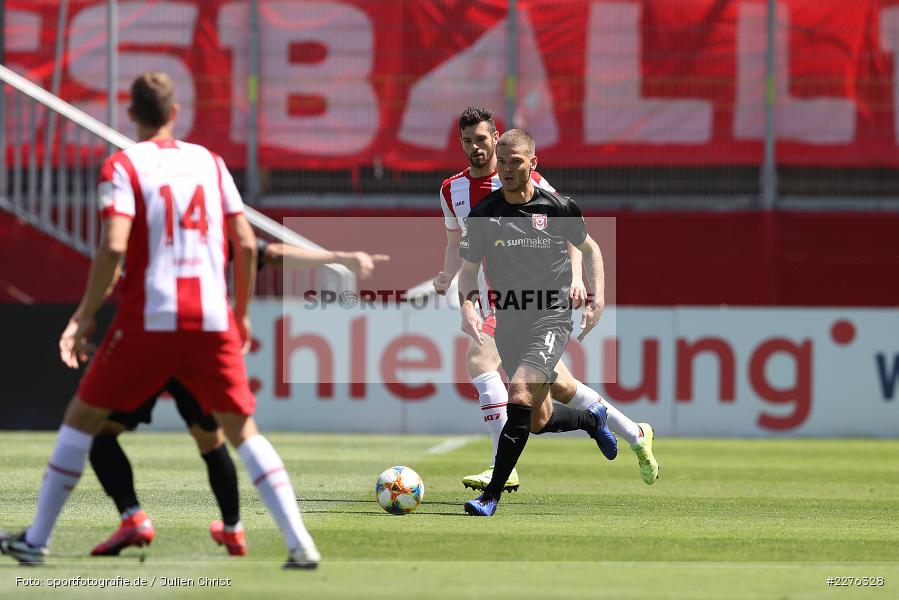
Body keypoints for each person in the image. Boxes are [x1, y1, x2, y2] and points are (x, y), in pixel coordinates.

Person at [0, 72, 317, 568]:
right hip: (211, 319)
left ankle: (36, 540)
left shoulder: (122, 165)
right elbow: (248, 244)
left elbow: (112, 247)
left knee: (81, 421)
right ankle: (300, 545)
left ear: (131, 114)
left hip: (150, 318)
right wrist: (241, 315)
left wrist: (83, 316)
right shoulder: (209, 163)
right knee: (242, 432)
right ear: (174, 112)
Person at [87, 239, 387, 557]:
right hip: (202, 339)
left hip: (152, 337)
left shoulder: (147, 218)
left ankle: (131, 516)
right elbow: (267, 253)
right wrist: (342, 256)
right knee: (214, 439)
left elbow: (111, 258)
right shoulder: (210, 220)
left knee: (99, 431)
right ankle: (234, 530)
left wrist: (85, 315)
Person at [433, 107, 657, 493]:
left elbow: (570, 237)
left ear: (496, 138)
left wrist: (575, 280)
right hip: (494, 296)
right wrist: (446, 276)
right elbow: (458, 245)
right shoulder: (451, 190)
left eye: (482, 140)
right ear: (461, 144)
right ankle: (630, 431)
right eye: (468, 141)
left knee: (479, 357)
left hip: (535, 300)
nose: (476, 148)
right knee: (553, 397)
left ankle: (501, 467)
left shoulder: (531, 181)